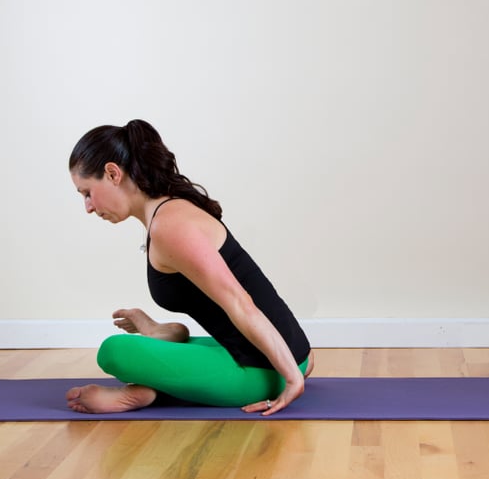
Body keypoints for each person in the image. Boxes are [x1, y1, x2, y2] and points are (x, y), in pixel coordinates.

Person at [64, 119, 313, 416]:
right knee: (176, 349)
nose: (88, 207)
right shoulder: (167, 211)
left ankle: (144, 393)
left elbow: (239, 301)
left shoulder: (170, 226)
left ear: (113, 173)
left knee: (113, 352)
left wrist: (292, 379)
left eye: (87, 192)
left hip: (262, 370)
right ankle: (162, 335)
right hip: (285, 354)